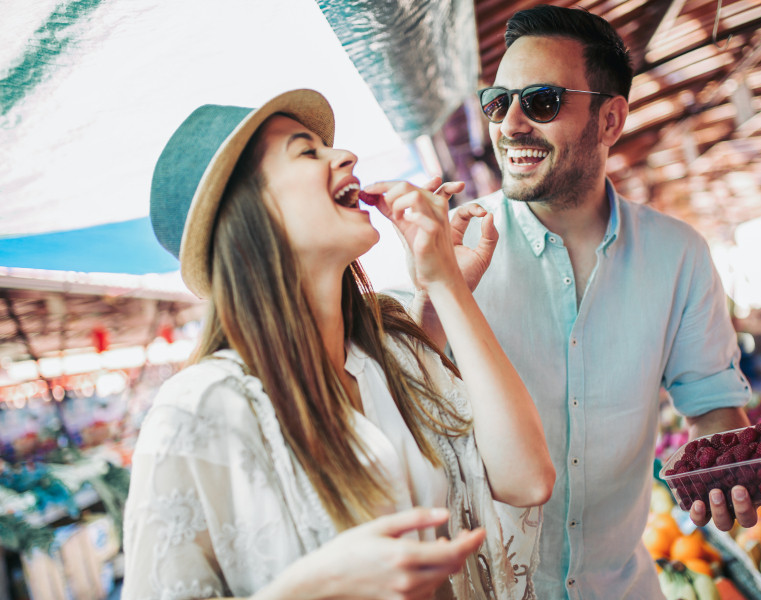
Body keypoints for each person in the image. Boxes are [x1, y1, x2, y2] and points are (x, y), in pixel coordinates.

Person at [123, 88, 555, 600]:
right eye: (307, 152)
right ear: (249, 216)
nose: (345, 155)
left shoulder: (391, 353)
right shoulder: (198, 411)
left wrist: (446, 283)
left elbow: (528, 480)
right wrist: (314, 588)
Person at [415, 6, 757, 599]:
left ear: (610, 119)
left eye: (542, 101)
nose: (511, 123)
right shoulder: (448, 251)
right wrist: (434, 295)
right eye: (499, 101)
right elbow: (399, 402)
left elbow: (713, 406)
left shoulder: (679, 255)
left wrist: (727, 468)